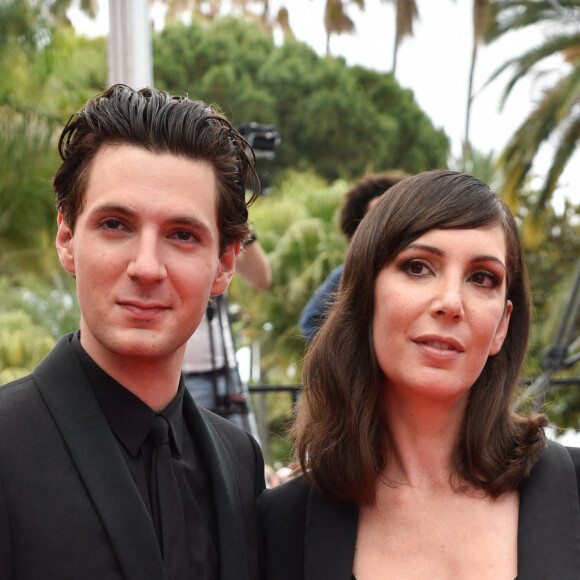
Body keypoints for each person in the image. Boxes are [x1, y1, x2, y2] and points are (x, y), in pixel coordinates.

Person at [0, 84, 266, 580]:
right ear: (67, 239)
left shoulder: (240, 461)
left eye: (182, 235)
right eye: (116, 225)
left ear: (225, 264)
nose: (147, 267)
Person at [258, 170, 580, 579]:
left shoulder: (573, 492)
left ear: (502, 325)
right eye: (417, 267)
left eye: (482, 278)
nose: (450, 302)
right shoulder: (283, 523)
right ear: (365, 296)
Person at [299, 171, 407, 343]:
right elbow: (311, 323)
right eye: (376, 218)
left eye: (392, 215)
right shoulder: (347, 274)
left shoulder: (430, 267)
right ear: (360, 229)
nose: (385, 224)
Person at [183, 234, 271, 430]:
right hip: (179, 376)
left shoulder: (214, 235)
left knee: (242, 454)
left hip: (226, 373)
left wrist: (242, 225)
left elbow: (261, 279)